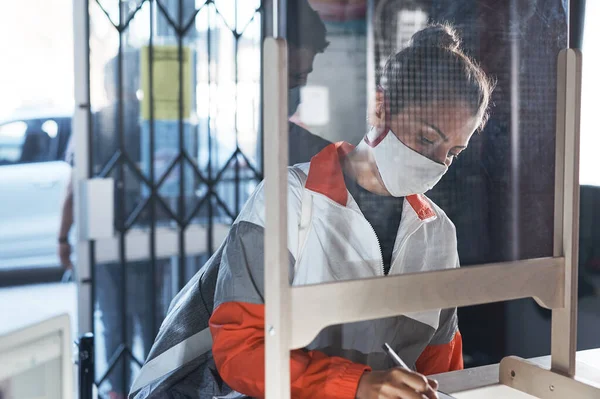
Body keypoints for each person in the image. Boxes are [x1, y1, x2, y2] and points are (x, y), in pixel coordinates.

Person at [129, 23, 494, 399]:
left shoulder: (438, 233)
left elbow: (441, 368)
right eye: (427, 138)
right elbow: (239, 349)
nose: (436, 162)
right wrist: (356, 384)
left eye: (452, 153)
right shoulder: (287, 201)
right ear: (380, 107)